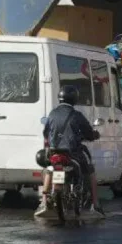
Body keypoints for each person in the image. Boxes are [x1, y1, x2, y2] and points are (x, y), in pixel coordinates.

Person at [35, 85, 105, 218]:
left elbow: (45, 133)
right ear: (75, 99)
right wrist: (94, 135)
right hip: (73, 153)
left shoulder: (52, 114)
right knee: (90, 171)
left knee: (49, 169)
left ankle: (44, 202)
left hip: (55, 152)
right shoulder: (77, 115)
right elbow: (89, 133)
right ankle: (96, 204)